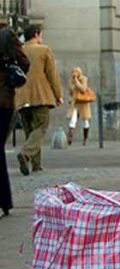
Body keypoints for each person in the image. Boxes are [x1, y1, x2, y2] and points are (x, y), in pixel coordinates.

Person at [14, 24, 63, 176]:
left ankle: (36, 165)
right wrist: (58, 94)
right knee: (41, 127)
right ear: (36, 35)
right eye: (41, 35)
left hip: (21, 97)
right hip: (40, 96)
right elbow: (52, 74)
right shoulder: (44, 50)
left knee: (30, 131)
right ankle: (26, 153)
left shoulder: (17, 51)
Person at [0, 27, 29, 216]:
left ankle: (4, 199)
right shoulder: (5, 35)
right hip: (3, 100)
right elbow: (24, 63)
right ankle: (4, 200)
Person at [66, 67, 93, 146]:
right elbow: (71, 90)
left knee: (85, 121)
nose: (74, 73)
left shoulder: (84, 79)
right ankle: (70, 138)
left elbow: (83, 89)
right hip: (75, 102)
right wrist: (74, 83)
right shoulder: (70, 81)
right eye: (73, 72)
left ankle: (85, 138)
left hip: (83, 102)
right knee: (72, 119)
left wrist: (77, 82)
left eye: (76, 72)